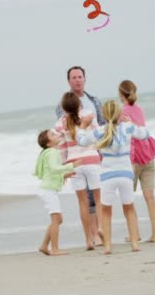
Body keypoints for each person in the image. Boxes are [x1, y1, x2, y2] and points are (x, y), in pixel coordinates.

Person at [77, 100, 149, 254]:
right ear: (119, 114)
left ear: (104, 115)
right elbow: (145, 134)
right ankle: (135, 244)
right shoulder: (127, 127)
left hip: (107, 177)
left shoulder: (99, 131)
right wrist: (132, 122)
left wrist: (83, 126)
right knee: (129, 208)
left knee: (106, 212)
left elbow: (81, 141)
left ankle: (108, 246)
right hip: (126, 175)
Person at [55, 66, 105, 247]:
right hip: (91, 158)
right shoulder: (87, 115)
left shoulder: (60, 123)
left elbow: (61, 147)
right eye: (73, 77)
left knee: (82, 202)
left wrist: (62, 168)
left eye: (80, 77)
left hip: (74, 163)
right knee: (99, 199)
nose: (77, 80)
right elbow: (98, 134)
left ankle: (88, 240)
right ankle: (101, 231)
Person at [119, 80, 155, 242]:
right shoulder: (139, 109)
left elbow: (123, 135)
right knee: (150, 196)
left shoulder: (122, 112)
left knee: (128, 197)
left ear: (121, 94)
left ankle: (134, 234)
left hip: (134, 157)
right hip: (148, 154)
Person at [34, 129, 82, 256]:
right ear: (49, 143)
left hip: (48, 189)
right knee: (56, 219)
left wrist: (65, 175)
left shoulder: (49, 152)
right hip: (48, 190)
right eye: (52, 135)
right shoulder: (52, 152)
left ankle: (44, 246)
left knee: (58, 219)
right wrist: (72, 165)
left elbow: (50, 172)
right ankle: (54, 249)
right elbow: (55, 169)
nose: (56, 134)